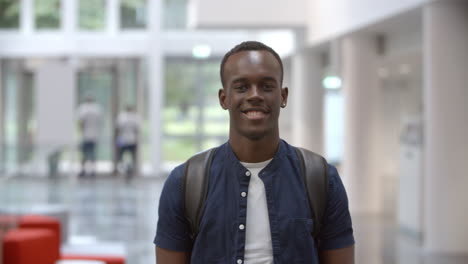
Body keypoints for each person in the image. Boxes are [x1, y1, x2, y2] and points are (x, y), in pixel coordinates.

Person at [154, 41, 355, 264]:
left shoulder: (321, 179)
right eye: (241, 87)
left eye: (267, 86)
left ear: (283, 96)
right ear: (224, 98)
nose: (255, 95)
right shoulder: (185, 183)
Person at [77, 96, 102, 178]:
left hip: (85, 134)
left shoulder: (83, 109)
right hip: (94, 134)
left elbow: (81, 122)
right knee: (92, 154)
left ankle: (83, 170)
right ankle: (93, 171)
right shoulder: (97, 109)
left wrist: (81, 130)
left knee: (84, 154)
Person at [114, 105, 140, 177]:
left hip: (123, 140)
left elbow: (118, 129)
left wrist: (117, 139)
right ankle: (130, 169)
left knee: (121, 156)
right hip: (132, 140)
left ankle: (125, 168)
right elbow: (137, 130)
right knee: (132, 156)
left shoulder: (121, 117)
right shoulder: (135, 117)